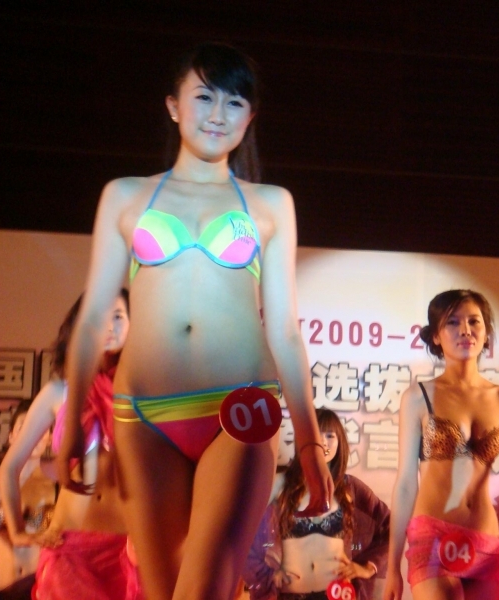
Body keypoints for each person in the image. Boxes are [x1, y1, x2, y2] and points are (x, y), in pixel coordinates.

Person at [57, 42, 332, 600]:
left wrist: (308, 443)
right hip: (142, 416)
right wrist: (73, 423)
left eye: (235, 102)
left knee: (203, 589)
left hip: (241, 409)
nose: (217, 114)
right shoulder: (126, 195)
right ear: (173, 105)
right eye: (204, 96)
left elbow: (284, 329)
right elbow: (92, 321)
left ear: (250, 117)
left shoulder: (270, 203)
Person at [384, 289, 499, 600]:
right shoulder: (419, 396)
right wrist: (392, 567)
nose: (465, 330)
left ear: (486, 332)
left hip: (486, 541)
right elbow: (406, 484)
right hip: (432, 540)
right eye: (452, 322)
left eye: (474, 321)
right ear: (436, 336)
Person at [0, 290, 136, 599]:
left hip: (131, 547)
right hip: (70, 546)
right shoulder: (60, 392)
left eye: (118, 317)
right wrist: (18, 531)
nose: (109, 326)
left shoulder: (145, 394)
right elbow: (9, 469)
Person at [244, 408, 390, 600]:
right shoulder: (282, 483)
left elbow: (390, 526)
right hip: (289, 594)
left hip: (337, 594)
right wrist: (266, 574)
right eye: (316, 434)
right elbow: (242, 528)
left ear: (340, 442)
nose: (323, 441)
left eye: (330, 435)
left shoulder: (350, 488)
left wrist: (368, 567)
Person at [0, 402, 54, 593]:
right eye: (24, 427)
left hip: (38, 587)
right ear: (11, 436)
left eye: (41, 429)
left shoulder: (58, 487)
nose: (33, 435)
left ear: (50, 439)